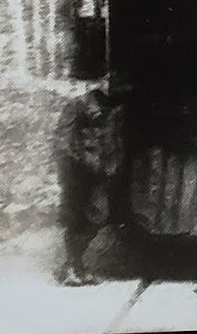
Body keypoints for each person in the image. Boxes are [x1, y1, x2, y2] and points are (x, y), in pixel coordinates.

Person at [54, 86, 122, 287]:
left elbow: (112, 141)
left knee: (98, 215)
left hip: (98, 173)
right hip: (78, 173)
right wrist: (80, 164)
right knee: (75, 218)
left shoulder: (112, 111)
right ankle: (73, 267)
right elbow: (63, 142)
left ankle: (72, 265)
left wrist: (109, 166)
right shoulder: (76, 107)